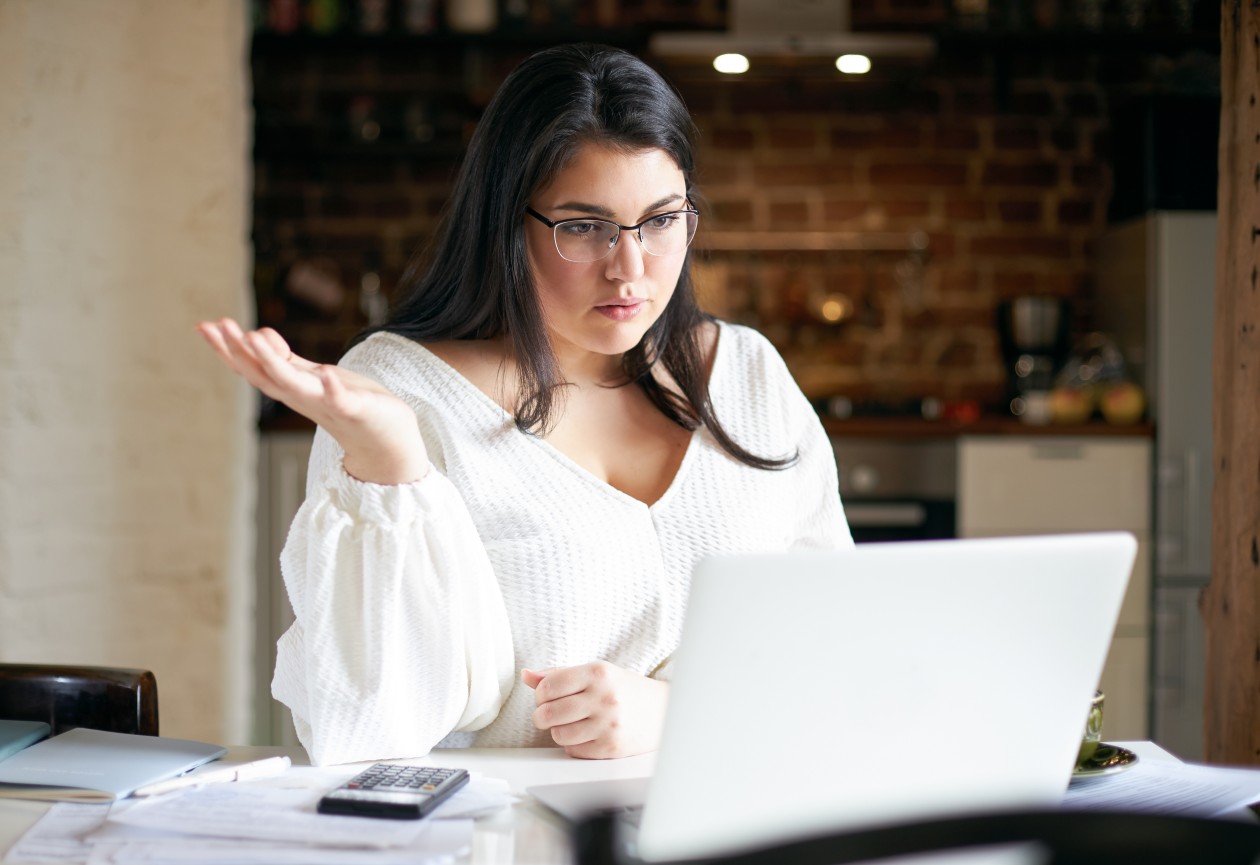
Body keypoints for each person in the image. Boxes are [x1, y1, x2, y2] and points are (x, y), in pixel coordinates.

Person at [199, 43, 853, 767]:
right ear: (507, 222)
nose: (629, 267)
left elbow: (841, 652)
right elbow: (366, 729)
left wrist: (677, 713)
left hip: (751, 818)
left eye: (662, 220)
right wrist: (389, 463)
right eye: (582, 227)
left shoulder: (747, 373)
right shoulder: (399, 391)